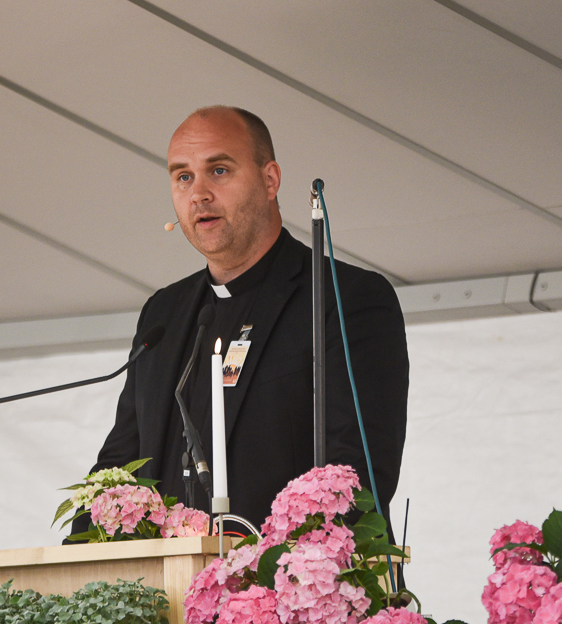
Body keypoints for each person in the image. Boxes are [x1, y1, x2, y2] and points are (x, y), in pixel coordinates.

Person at [85, 105, 408, 529]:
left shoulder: (343, 297)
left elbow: (356, 478)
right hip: (167, 573)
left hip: (284, 569)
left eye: (218, 171)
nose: (198, 194)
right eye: (183, 177)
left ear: (270, 180)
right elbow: (120, 467)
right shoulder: (163, 314)